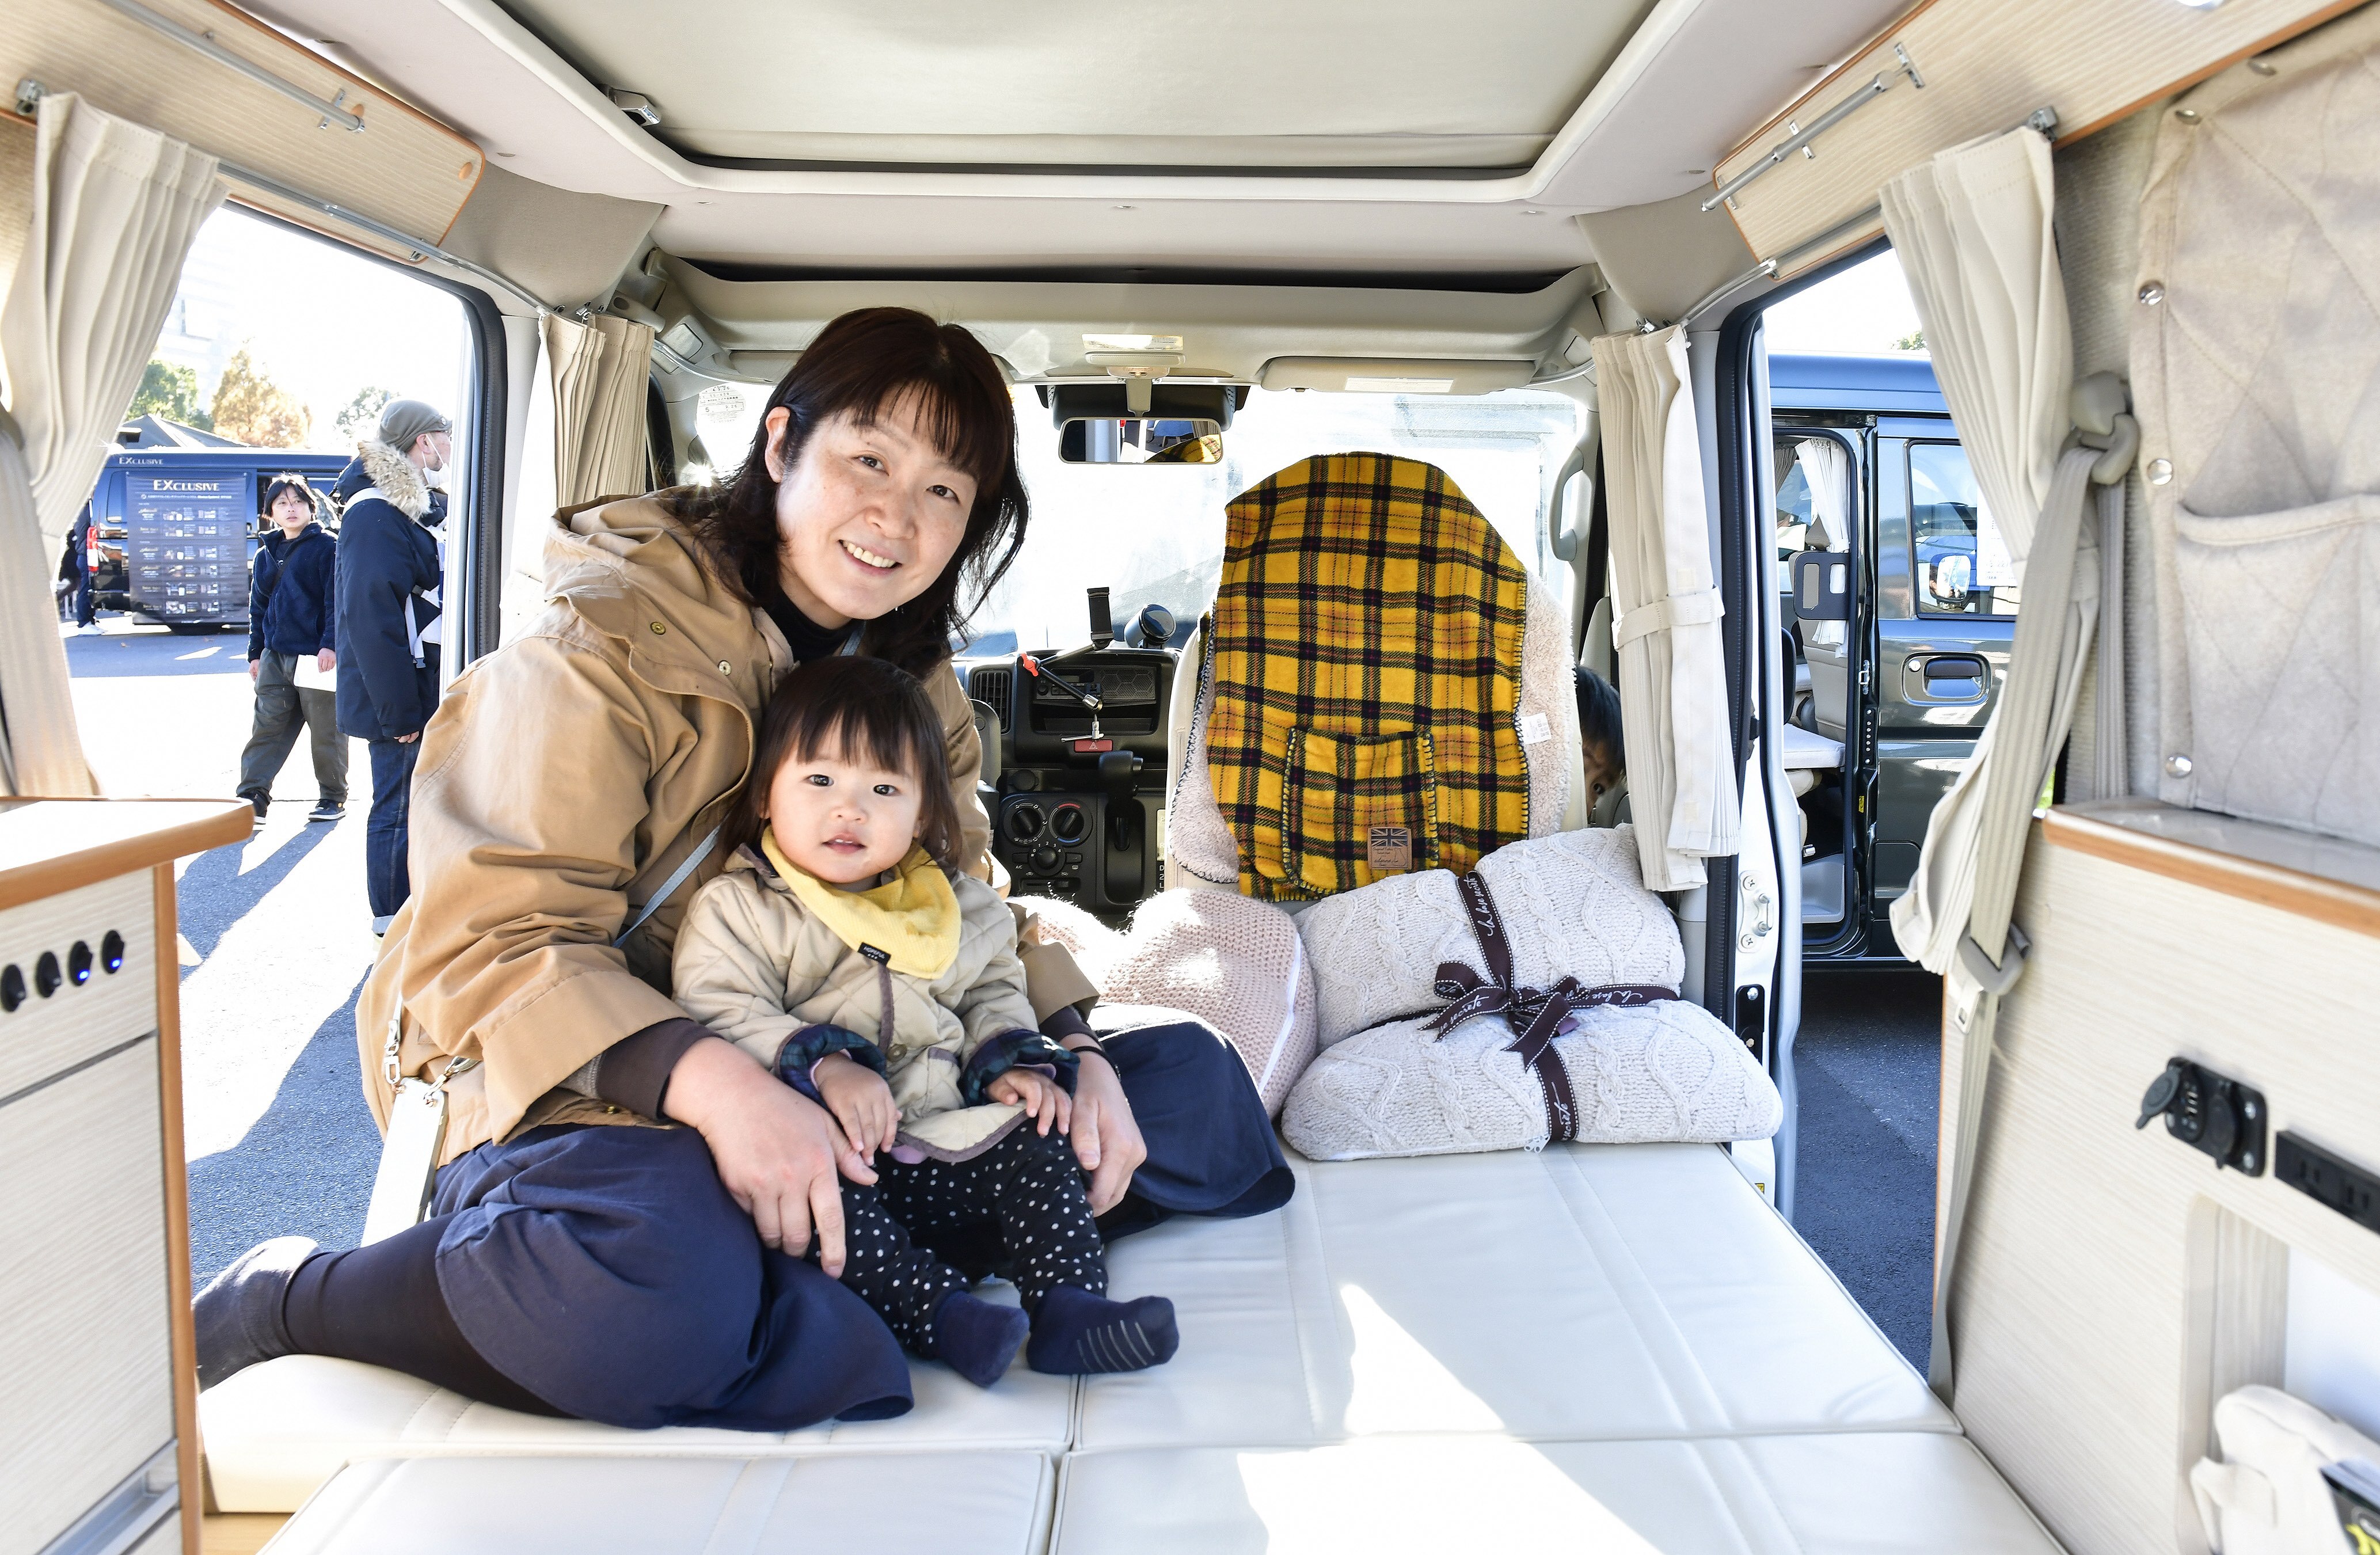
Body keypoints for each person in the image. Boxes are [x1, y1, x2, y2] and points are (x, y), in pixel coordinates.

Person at [194, 308, 1285, 1432]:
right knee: (650, 1290)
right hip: (593, 1066)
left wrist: (1070, 1052)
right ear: (780, 447)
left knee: (1194, 1094)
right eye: (870, 460)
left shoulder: (915, 679)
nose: (897, 518)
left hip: (861, 1049)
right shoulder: (591, 652)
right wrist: (726, 1089)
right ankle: (294, 1297)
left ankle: (836, 1268)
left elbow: (963, 908)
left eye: (945, 492)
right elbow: (494, 943)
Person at [674, 655, 1177, 1385]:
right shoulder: (742, 908)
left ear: (922, 813)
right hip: (831, 1151)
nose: (850, 809)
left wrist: (1015, 1063)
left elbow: (994, 992)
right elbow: (717, 1008)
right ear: (764, 797)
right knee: (820, 1213)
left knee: (1043, 1139)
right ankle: (946, 1318)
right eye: (819, 781)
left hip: (945, 1138)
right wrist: (827, 1064)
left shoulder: (956, 907)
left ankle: (1068, 1307)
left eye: (884, 788)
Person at [334, 399, 450, 932]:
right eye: (445, 436)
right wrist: (400, 712)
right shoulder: (374, 513)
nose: (451, 446)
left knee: (411, 804)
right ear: (423, 442)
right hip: (399, 695)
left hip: (413, 685)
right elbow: (371, 615)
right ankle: (390, 922)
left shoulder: (406, 507)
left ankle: (408, 916)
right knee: (396, 807)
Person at [237, 476, 347, 825]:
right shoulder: (265, 553)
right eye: (282, 503)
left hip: (316, 657)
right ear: (271, 512)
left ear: (310, 507)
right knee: (266, 728)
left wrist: (329, 645)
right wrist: (256, 653)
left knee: (326, 731)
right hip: (274, 657)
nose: (291, 508)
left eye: (298, 501)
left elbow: (336, 600)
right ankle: (252, 797)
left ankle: (332, 797)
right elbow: (258, 607)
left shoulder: (328, 547)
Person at [61, 504, 98, 631]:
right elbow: (82, 531)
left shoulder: (87, 510)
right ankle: (84, 622)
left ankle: (89, 620)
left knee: (85, 587)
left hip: (84, 553)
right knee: (84, 587)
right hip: (85, 553)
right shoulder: (87, 510)